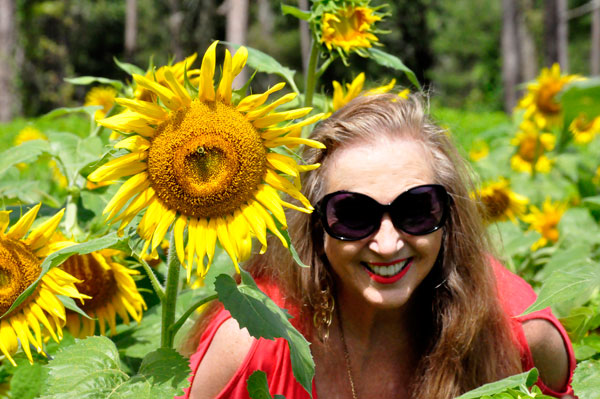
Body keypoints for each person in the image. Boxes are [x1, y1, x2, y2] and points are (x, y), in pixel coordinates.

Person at [179, 93, 576, 399]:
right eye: (353, 215)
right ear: (314, 226)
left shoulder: (520, 336)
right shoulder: (252, 343)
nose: (387, 245)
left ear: (449, 215)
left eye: (417, 209)